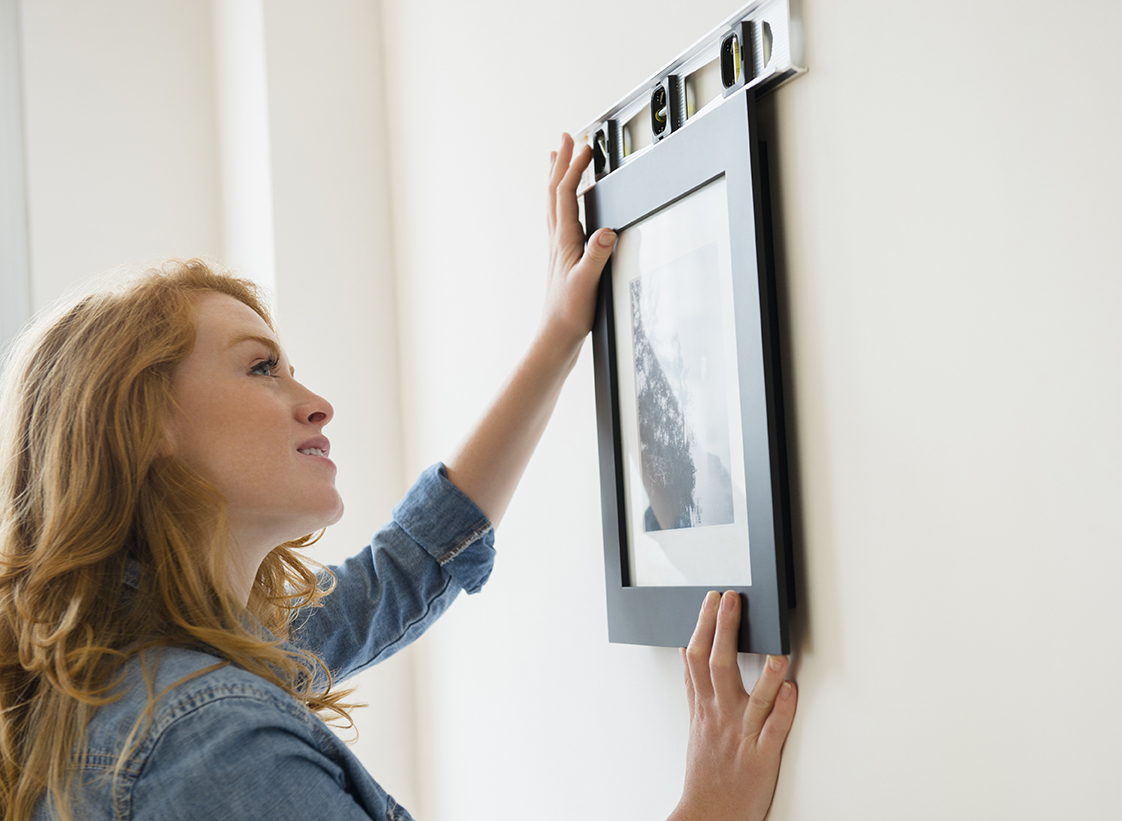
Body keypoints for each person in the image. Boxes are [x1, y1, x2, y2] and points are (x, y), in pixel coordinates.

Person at [0, 136, 796, 821]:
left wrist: (559, 332)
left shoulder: (125, 668)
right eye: (261, 368)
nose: (315, 403)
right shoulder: (205, 738)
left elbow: (411, 560)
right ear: (145, 428)